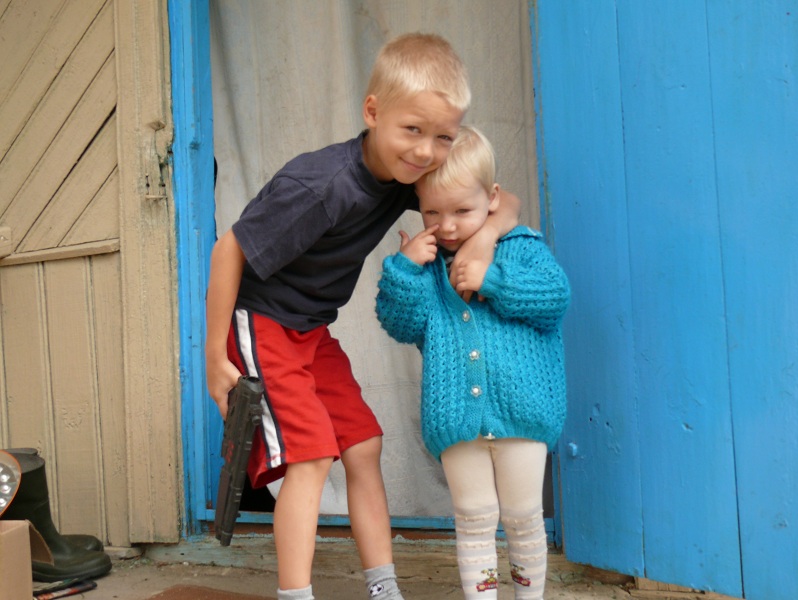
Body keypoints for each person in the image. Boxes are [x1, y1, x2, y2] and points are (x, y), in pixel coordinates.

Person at [205, 34, 521, 600]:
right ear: (372, 112)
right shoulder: (320, 185)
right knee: (311, 457)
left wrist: (483, 241)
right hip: (263, 321)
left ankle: (384, 588)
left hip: (310, 329)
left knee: (364, 444)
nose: (426, 152)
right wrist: (212, 357)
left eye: (443, 136)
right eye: (413, 130)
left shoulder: (406, 174)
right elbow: (229, 249)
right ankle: (295, 595)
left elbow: (501, 201)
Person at [375, 126, 570, 600]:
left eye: (462, 211)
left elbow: (554, 299)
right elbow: (402, 325)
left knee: (523, 517)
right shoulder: (427, 266)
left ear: (492, 198)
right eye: (433, 212)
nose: (447, 226)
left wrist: (494, 279)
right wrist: (405, 268)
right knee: (473, 518)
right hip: (455, 414)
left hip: (523, 411)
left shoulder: (522, 247)